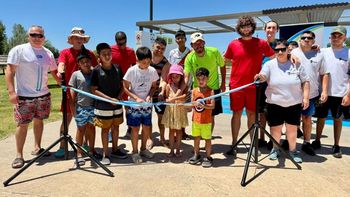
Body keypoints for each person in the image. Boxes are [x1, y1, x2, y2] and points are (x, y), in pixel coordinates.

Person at [5, 25, 60, 168]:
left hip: (43, 94)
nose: (37, 38)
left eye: (40, 35)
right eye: (33, 35)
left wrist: (62, 82)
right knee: (22, 125)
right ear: (28, 36)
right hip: (24, 96)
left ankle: (37, 147)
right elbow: (9, 71)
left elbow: (54, 71)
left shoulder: (48, 53)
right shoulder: (19, 50)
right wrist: (11, 92)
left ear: (44, 38)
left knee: (39, 121)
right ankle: (19, 155)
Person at [224, 16, 274, 156]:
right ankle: (234, 143)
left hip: (253, 86)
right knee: (236, 114)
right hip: (236, 86)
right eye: (243, 26)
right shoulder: (233, 44)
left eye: (248, 26)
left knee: (252, 115)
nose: (246, 29)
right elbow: (225, 60)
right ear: (239, 29)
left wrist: (291, 56)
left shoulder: (261, 43)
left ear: (252, 27)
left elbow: (274, 58)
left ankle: (253, 146)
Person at [255, 39, 310, 163]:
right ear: (274, 51)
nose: (280, 52)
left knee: (292, 129)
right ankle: (275, 149)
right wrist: (260, 77)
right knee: (275, 129)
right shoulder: (269, 64)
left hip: (294, 103)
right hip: (275, 103)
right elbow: (264, 76)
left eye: (283, 49)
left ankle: (293, 150)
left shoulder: (296, 63)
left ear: (287, 50)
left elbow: (305, 81)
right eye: (277, 50)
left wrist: (305, 97)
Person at [55, 27, 98, 158]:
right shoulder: (65, 52)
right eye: (76, 37)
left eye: (81, 38)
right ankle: (63, 145)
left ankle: (84, 145)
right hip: (69, 91)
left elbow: (96, 68)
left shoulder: (90, 53)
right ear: (71, 39)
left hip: (86, 93)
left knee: (86, 123)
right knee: (67, 119)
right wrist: (60, 71)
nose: (79, 40)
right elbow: (61, 64)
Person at [313, 26, 350, 158]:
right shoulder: (322, 51)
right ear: (330, 37)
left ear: (344, 37)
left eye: (339, 36)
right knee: (320, 117)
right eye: (334, 35)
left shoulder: (349, 53)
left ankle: (336, 145)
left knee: (337, 119)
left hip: (340, 93)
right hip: (323, 92)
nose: (336, 38)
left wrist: (348, 94)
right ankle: (317, 140)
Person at [290, 31, 328, 156]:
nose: (306, 39)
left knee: (307, 119)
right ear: (300, 40)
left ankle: (306, 143)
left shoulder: (319, 54)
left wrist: (324, 91)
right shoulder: (292, 53)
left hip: (311, 94)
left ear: (313, 40)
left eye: (309, 38)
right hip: (293, 94)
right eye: (304, 38)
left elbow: (324, 74)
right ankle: (289, 142)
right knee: (290, 120)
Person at [91, 43, 127, 165]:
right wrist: (109, 99)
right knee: (105, 129)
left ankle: (115, 150)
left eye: (109, 53)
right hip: (103, 107)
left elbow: (123, 86)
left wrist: (117, 97)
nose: (107, 56)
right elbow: (94, 90)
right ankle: (106, 154)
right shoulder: (96, 71)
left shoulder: (117, 68)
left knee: (116, 127)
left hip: (117, 105)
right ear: (99, 56)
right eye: (104, 54)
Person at [184, 32, 226, 136]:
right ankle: (199, 137)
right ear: (192, 45)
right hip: (198, 91)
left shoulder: (214, 51)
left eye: (200, 42)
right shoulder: (189, 57)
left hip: (213, 89)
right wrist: (183, 90)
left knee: (211, 115)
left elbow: (222, 65)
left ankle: (208, 138)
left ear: (204, 43)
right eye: (196, 43)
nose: (199, 45)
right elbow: (186, 75)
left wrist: (223, 82)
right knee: (198, 114)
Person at [123, 46, 159, 164]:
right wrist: (135, 98)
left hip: (147, 105)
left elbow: (154, 86)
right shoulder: (131, 71)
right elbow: (125, 87)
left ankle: (143, 149)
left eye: (149, 62)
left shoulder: (152, 71)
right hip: (134, 106)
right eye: (144, 62)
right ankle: (134, 152)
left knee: (146, 127)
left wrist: (150, 95)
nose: (146, 64)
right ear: (137, 59)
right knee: (135, 129)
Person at [69, 54, 101, 166]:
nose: (86, 64)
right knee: (81, 129)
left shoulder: (94, 73)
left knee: (92, 128)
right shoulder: (75, 75)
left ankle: (92, 150)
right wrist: (73, 109)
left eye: (88, 61)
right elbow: (72, 92)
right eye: (83, 62)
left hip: (94, 107)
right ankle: (79, 153)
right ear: (79, 64)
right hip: (81, 108)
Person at [111, 31, 137, 139]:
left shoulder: (131, 51)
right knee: (112, 107)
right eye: (120, 43)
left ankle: (130, 128)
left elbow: (135, 66)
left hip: (126, 83)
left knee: (128, 108)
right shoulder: (110, 50)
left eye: (124, 42)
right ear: (116, 41)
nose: (122, 45)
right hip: (113, 83)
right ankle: (111, 132)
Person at [188, 68, 215, 167]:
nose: (201, 81)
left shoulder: (210, 91)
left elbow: (212, 106)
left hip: (206, 121)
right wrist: (190, 104)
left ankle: (208, 156)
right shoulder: (194, 91)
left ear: (207, 78)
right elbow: (191, 105)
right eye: (199, 79)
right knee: (196, 138)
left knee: (207, 139)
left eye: (203, 79)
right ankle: (196, 154)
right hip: (196, 120)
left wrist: (204, 106)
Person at [258, 20, 279, 148]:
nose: (270, 30)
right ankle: (261, 138)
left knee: (274, 113)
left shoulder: (280, 45)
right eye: (268, 27)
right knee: (261, 113)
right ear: (264, 30)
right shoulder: (259, 45)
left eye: (273, 28)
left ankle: (273, 139)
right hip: (261, 84)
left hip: (275, 84)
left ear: (277, 30)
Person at [168, 30, 191, 140]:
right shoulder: (172, 53)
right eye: (178, 37)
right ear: (175, 40)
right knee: (174, 108)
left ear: (185, 39)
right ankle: (175, 131)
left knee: (183, 109)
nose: (180, 39)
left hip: (186, 84)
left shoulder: (190, 52)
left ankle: (182, 131)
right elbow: (170, 67)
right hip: (174, 84)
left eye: (182, 37)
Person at [161, 64, 188, 157]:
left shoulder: (184, 87)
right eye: (173, 77)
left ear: (181, 77)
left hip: (179, 111)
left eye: (177, 77)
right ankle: (171, 150)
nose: (175, 79)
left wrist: (173, 99)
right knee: (171, 131)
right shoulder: (168, 86)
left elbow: (184, 97)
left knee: (179, 131)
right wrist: (168, 100)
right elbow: (166, 97)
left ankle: (178, 150)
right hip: (171, 111)